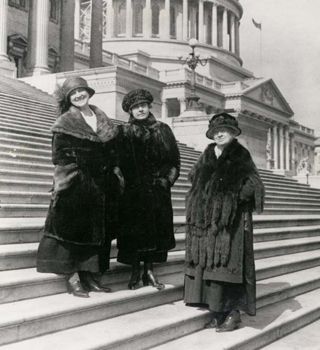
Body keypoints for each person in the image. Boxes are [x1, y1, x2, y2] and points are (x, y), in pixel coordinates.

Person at [37, 76, 122, 298]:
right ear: (68, 98)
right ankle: (72, 277)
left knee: (95, 231)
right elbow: (58, 156)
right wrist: (74, 174)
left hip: (101, 184)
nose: (78, 96)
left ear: (88, 92)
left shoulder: (101, 118)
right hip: (77, 182)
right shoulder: (65, 122)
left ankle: (90, 276)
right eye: (73, 94)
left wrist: (113, 172)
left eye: (81, 91)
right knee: (71, 230)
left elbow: (113, 150)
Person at [184, 112, 264, 331]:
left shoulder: (240, 154)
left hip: (231, 223)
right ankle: (217, 312)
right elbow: (195, 177)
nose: (219, 134)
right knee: (212, 265)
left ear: (233, 133)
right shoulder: (208, 153)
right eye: (215, 131)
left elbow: (254, 184)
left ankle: (233, 314)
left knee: (229, 265)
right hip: (207, 222)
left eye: (224, 130)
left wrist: (233, 200)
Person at [117, 89, 180, 290]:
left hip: (156, 191)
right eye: (136, 107)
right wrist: (122, 183)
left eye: (143, 105)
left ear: (149, 106)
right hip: (132, 193)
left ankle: (150, 271)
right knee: (134, 232)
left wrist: (165, 182)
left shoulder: (162, 129)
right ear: (130, 111)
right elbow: (116, 161)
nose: (140, 110)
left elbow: (174, 161)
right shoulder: (124, 131)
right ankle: (136, 270)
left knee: (155, 232)